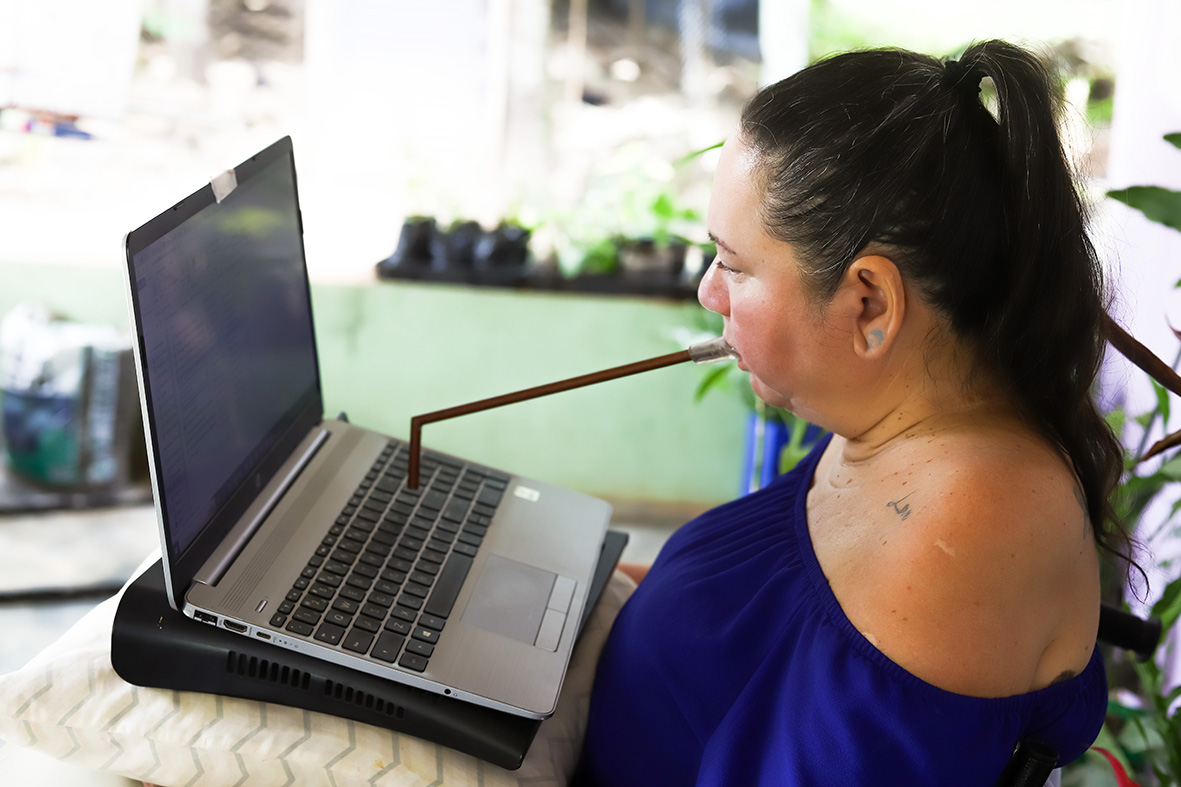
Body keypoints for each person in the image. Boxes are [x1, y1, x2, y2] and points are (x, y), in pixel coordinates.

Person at [579, 39, 1131, 785]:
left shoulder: (971, 519)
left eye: (733, 265)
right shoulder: (889, 423)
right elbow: (774, 622)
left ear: (868, 301)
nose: (710, 294)